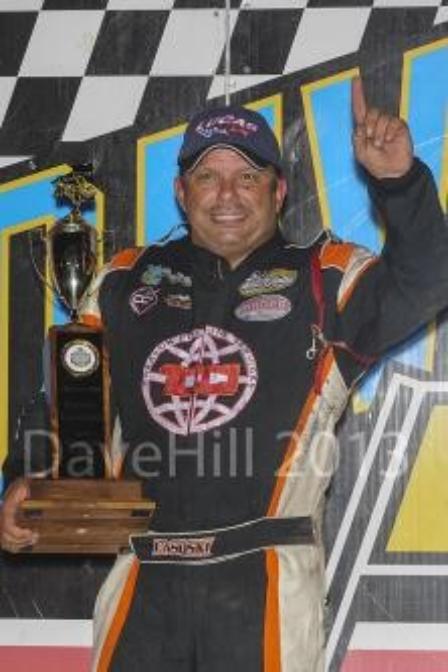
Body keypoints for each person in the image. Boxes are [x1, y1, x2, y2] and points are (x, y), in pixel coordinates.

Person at [1, 77, 448, 671]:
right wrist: (31, 479)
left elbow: (427, 281)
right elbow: (66, 403)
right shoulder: (125, 279)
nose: (227, 195)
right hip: (144, 579)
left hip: (263, 578)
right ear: (182, 192)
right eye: (208, 177)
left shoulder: (328, 276)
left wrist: (401, 183)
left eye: (248, 176)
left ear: (279, 189)